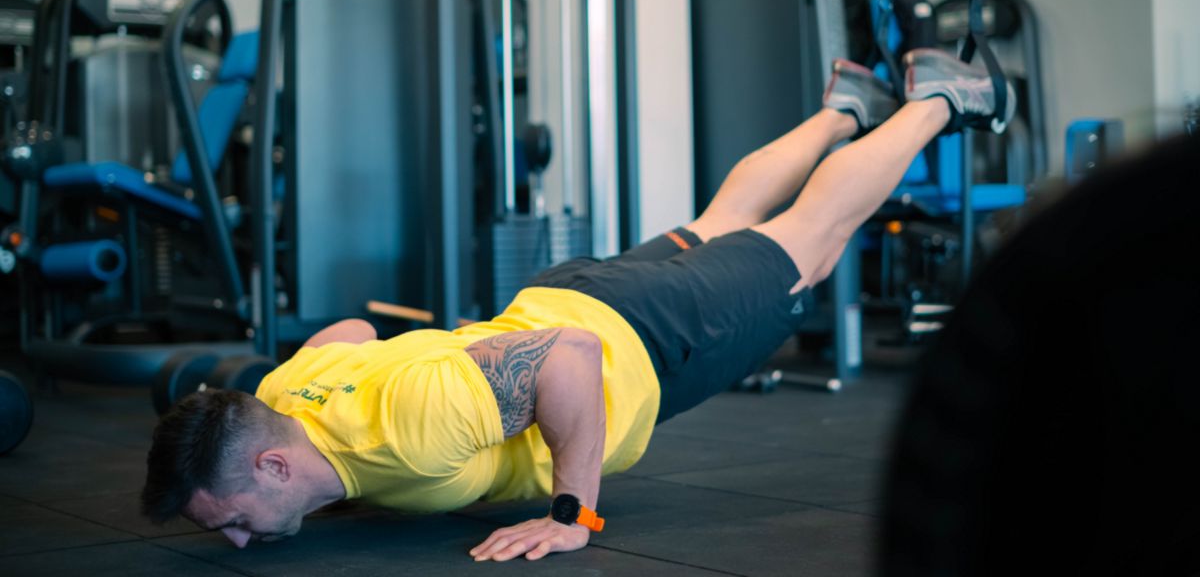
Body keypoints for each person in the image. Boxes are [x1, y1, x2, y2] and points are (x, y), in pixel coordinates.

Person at [141, 48, 1014, 562]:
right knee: (724, 220)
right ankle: (842, 111)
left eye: (237, 521)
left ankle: (940, 94)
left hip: (640, 334)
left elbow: (569, 360)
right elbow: (352, 332)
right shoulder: (287, 398)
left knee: (811, 241)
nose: (240, 542)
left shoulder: (412, 426)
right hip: (577, 296)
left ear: (272, 468)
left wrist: (572, 515)